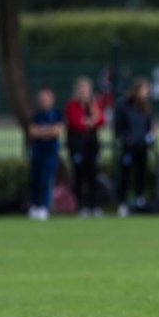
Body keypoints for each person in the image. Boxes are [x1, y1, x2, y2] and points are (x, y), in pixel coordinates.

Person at [65, 76, 105, 217]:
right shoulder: (72, 105)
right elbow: (76, 123)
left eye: (86, 89)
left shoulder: (93, 104)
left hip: (92, 145)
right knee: (79, 176)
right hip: (77, 145)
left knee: (93, 175)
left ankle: (94, 205)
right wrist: (89, 123)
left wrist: (90, 121)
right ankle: (80, 206)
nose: (84, 92)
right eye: (81, 89)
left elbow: (100, 120)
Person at [115, 78, 155, 217]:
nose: (146, 93)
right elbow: (118, 128)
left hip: (142, 147)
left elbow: (149, 126)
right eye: (144, 90)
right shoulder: (124, 107)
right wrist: (126, 138)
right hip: (129, 148)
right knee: (126, 175)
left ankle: (139, 200)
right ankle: (122, 203)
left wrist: (150, 139)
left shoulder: (146, 108)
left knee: (141, 174)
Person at [27, 86, 65, 220]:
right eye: (42, 97)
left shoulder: (57, 114)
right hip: (37, 152)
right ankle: (34, 206)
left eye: (46, 97)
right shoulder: (36, 115)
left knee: (46, 179)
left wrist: (42, 131)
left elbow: (58, 131)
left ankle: (44, 206)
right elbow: (32, 132)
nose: (44, 100)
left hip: (50, 152)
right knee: (35, 179)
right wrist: (49, 130)